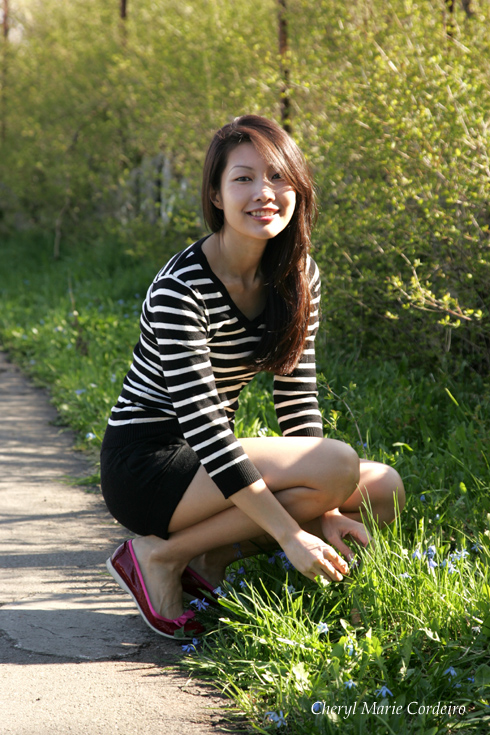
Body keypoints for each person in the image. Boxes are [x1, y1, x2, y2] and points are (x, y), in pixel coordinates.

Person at [101, 114, 405, 639]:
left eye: (278, 176)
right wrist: (292, 532)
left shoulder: (300, 275)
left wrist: (326, 509)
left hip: (208, 465)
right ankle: (159, 557)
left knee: (382, 489)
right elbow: (205, 429)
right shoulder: (182, 288)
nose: (263, 192)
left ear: (298, 187)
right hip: (148, 466)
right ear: (217, 195)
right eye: (243, 178)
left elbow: (296, 400)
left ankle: (209, 559)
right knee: (337, 464)